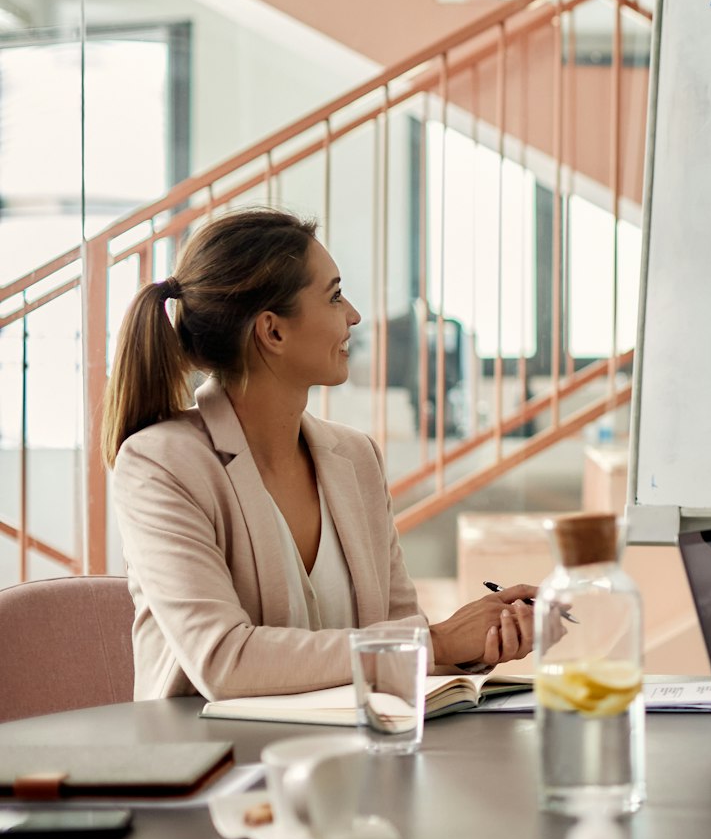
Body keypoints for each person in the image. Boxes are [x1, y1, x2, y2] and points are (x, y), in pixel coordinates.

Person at [106, 208, 541, 701]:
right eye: (334, 296)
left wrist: (475, 643)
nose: (353, 314)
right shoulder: (160, 464)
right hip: (219, 766)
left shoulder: (356, 458)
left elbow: (397, 637)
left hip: (354, 759)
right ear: (273, 332)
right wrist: (434, 639)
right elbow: (223, 661)